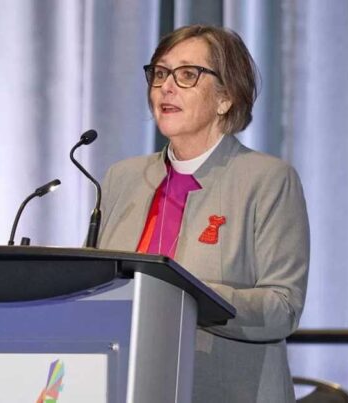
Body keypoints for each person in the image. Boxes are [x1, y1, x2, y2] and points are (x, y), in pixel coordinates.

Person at [97, 25, 309, 402]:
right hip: (130, 386)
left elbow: (282, 307)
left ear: (225, 98)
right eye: (160, 73)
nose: (166, 87)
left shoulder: (268, 180)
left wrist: (188, 295)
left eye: (187, 75)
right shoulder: (122, 178)